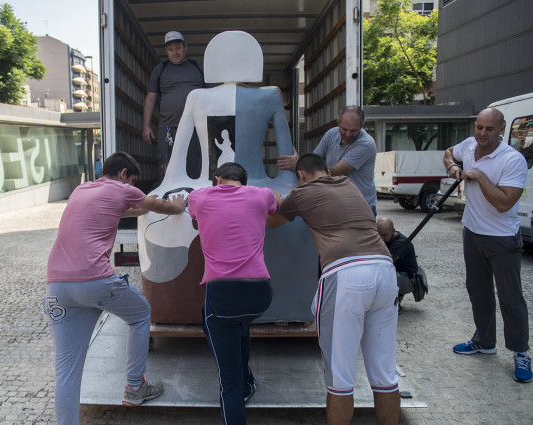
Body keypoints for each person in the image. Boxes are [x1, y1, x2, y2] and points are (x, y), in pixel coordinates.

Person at [43, 152, 187, 425]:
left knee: (67, 372)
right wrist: (177, 206)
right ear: (124, 175)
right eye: (132, 181)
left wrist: (144, 207)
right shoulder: (122, 190)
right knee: (142, 313)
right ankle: (135, 387)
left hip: (57, 286)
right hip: (94, 280)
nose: (133, 186)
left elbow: (130, 209)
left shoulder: (81, 190)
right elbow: (162, 207)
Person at [269, 153, 400, 425]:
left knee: (340, 378)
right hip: (385, 270)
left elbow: (273, 221)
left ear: (301, 175)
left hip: (346, 275)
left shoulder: (301, 192)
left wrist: (274, 199)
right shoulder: (346, 183)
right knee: (385, 374)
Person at [187, 162, 279, 425]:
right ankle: (247, 379)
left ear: (217, 179)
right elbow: (276, 207)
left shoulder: (199, 197)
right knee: (238, 324)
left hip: (224, 294)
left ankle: (241, 381)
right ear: (244, 181)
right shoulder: (262, 194)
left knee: (229, 383)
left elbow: (195, 218)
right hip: (260, 294)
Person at [444, 107, 531, 383]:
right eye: (479, 127)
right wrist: (453, 167)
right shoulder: (470, 145)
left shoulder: (512, 160)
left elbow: (505, 203)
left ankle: (520, 353)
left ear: (502, 129)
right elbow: (449, 152)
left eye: (489, 129)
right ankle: (484, 340)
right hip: (472, 232)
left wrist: (479, 176)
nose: (481, 133)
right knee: (478, 291)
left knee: (510, 298)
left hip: (502, 238)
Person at [277, 105, 378, 215]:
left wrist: (299, 164)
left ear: (362, 126)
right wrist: (302, 163)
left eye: (353, 130)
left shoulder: (366, 144)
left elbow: (336, 171)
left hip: (360, 207)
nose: (348, 134)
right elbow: (314, 159)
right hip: (338, 203)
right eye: (344, 129)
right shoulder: (331, 134)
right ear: (338, 122)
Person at [143, 31, 206, 183]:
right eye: (170, 50)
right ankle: (166, 203)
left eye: (178, 48)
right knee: (166, 169)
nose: (175, 52)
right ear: (166, 51)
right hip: (168, 128)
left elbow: (212, 96)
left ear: (185, 47)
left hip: (196, 128)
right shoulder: (160, 69)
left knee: (194, 168)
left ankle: (192, 202)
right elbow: (151, 99)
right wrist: (146, 126)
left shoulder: (198, 67)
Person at [377, 217, 419, 312]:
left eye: (384, 235)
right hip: (400, 275)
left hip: (408, 280)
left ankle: (394, 304)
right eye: (379, 236)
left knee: (381, 274)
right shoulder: (389, 239)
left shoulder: (400, 243)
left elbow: (384, 261)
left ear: (393, 230)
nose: (381, 239)